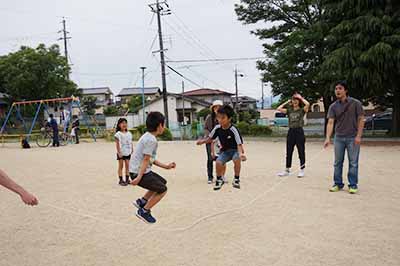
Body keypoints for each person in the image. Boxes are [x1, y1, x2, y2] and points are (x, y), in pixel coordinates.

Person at [130, 112, 176, 224]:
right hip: (139, 172)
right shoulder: (151, 140)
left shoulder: (147, 136)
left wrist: (166, 166)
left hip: (139, 170)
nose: (164, 127)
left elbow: (150, 159)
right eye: (164, 125)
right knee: (162, 189)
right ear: (159, 125)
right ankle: (144, 211)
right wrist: (138, 177)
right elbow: (146, 160)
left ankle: (142, 201)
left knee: (162, 182)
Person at [324, 81, 365, 194]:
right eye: (336, 88)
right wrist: (328, 138)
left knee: (353, 162)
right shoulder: (333, 106)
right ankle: (338, 184)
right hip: (339, 138)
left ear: (345, 90)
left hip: (353, 137)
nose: (337, 90)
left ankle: (353, 185)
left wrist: (359, 136)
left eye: (340, 88)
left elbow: (361, 119)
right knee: (337, 162)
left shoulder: (356, 103)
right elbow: (331, 122)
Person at [197, 105, 246, 190]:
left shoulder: (233, 129)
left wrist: (241, 153)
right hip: (225, 151)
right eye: (218, 118)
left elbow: (239, 143)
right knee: (218, 162)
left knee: (236, 159)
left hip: (235, 150)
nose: (220, 120)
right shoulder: (217, 128)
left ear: (229, 119)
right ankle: (219, 180)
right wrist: (202, 141)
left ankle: (236, 179)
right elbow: (210, 138)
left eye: (223, 118)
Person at [277, 92, 310, 177]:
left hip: (299, 131)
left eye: (296, 100)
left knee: (301, 151)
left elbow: (308, 104)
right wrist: (287, 102)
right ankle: (287, 170)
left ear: (299, 101)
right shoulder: (289, 110)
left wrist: (301, 97)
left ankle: (302, 170)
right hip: (291, 131)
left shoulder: (302, 110)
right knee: (289, 151)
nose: (295, 101)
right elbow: (279, 108)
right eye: (293, 100)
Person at [203, 100, 223, 184]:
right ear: (213, 108)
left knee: (221, 159)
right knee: (210, 158)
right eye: (215, 107)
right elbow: (205, 128)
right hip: (209, 140)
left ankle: (221, 176)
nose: (217, 108)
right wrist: (210, 135)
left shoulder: (223, 117)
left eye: (219, 107)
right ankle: (210, 177)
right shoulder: (209, 117)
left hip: (220, 140)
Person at [115, 118, 133, 186]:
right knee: (121, 166)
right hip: (121, 152)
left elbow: (130, 142)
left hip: (127, 151)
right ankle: (121, 180)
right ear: (119, 125)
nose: (124, 124)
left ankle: (127, 179)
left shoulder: (129, 133)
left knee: (128, 166)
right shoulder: (118, 134)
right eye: (122, 123)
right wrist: (119, 152)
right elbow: (117, 144)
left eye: (125, 123)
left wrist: (132, 149)